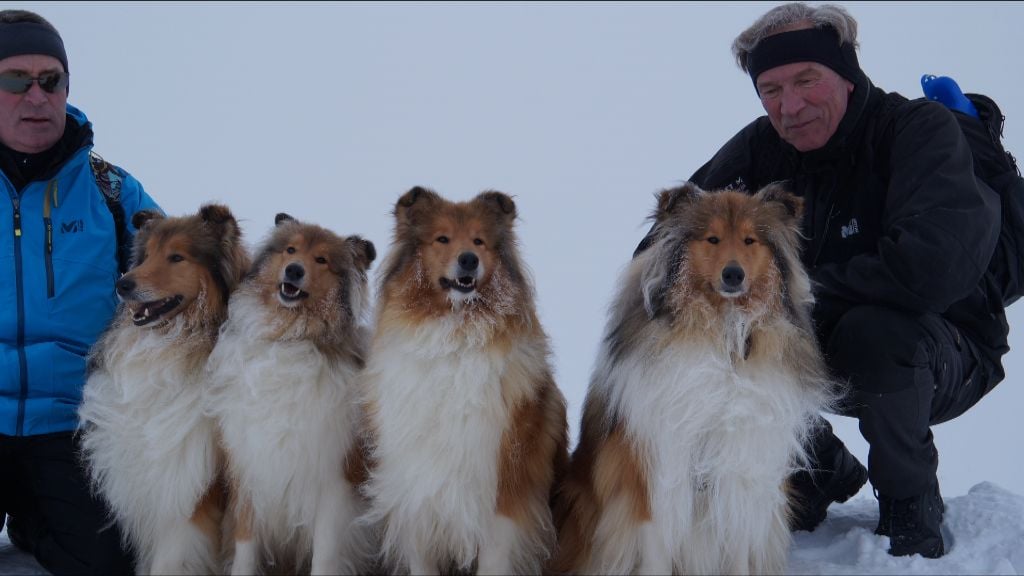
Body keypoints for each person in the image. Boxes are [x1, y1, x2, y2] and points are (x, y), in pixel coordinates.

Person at [657, 2, 1008, 559]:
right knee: (696, 326)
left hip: (943, 347)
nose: (789, 107)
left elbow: (931, 268)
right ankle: (814, 471)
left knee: (874, 334)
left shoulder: (915, 131)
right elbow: (668, 243)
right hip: (814, 340)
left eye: (805, 80)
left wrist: (787, 288)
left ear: (845, 74)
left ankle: (909, 502)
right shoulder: (761, 148)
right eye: (770, 90)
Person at [0, 9, 160, 574]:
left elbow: (186, 275)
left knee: (107, 565)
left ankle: (32, 517)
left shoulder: (110, 189)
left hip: (74, 425)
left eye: (51, 81)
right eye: (15, 80)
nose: (36, 96)